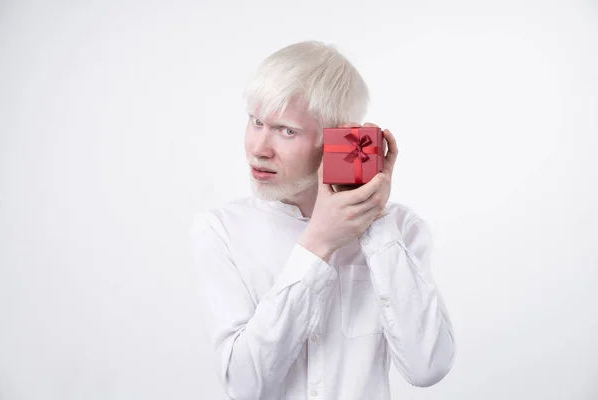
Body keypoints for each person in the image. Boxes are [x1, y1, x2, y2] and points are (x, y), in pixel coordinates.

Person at [190, 40, 456, 400]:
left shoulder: (400, 230)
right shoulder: (222, 231)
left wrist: (373, 217)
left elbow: (428, 368)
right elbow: (244, 386)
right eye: (255, 122)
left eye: (286, 130)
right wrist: (318, 243)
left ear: (338, 137)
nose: (258, 148)